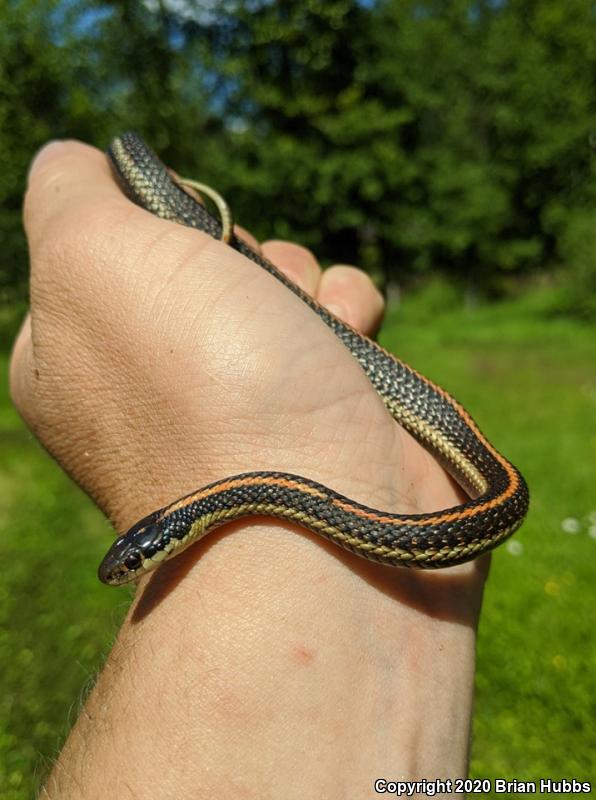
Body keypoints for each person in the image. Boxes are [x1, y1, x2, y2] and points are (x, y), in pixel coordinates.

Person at [11, 140, 489, 799]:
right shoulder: (257, 488)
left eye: (136, 562)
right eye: (133, 564)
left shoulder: (261, 492)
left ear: (168, 537)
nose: (132, 569)